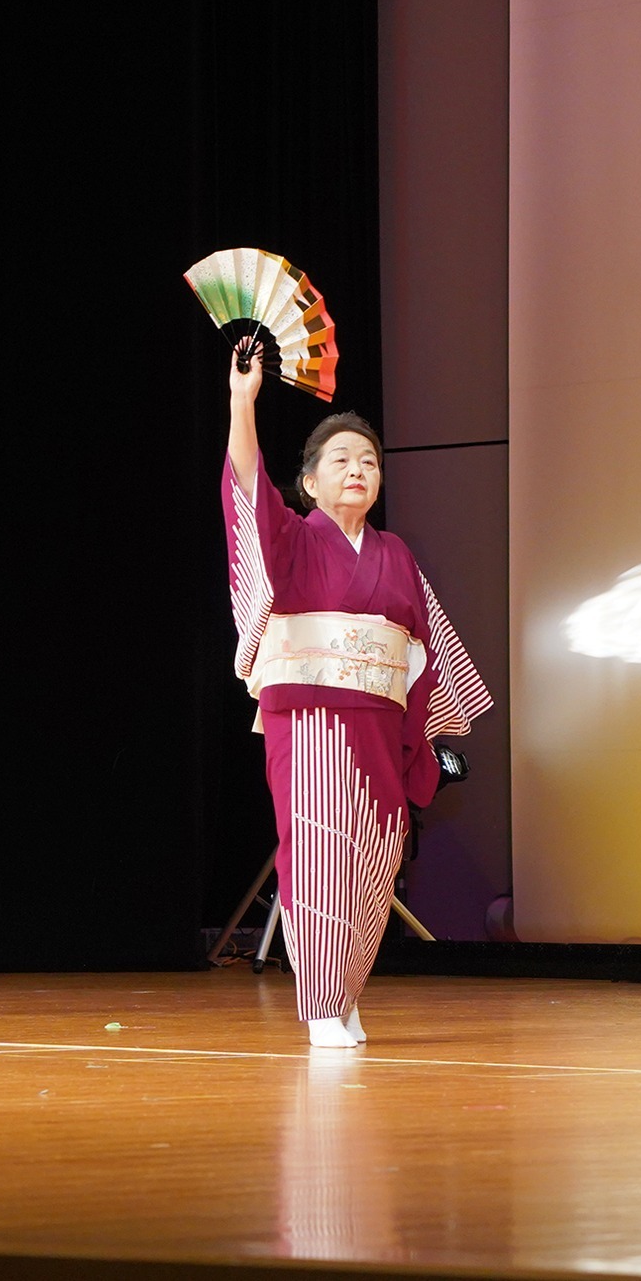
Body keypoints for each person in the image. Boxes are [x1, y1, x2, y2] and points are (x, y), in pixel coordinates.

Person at [223, 337, 492, 1048]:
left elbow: (423, 649)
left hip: (377, 725)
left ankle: (343, 995)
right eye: (340, 459)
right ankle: (317, 1007)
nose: (358, 469)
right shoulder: (293, 539)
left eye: (368, 461)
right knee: (317, 851)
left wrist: (426, 729)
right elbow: (249, 492)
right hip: (310, 718)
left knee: (375, 855)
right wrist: (242, 403)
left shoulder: (395, 553)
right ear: (307, 482)